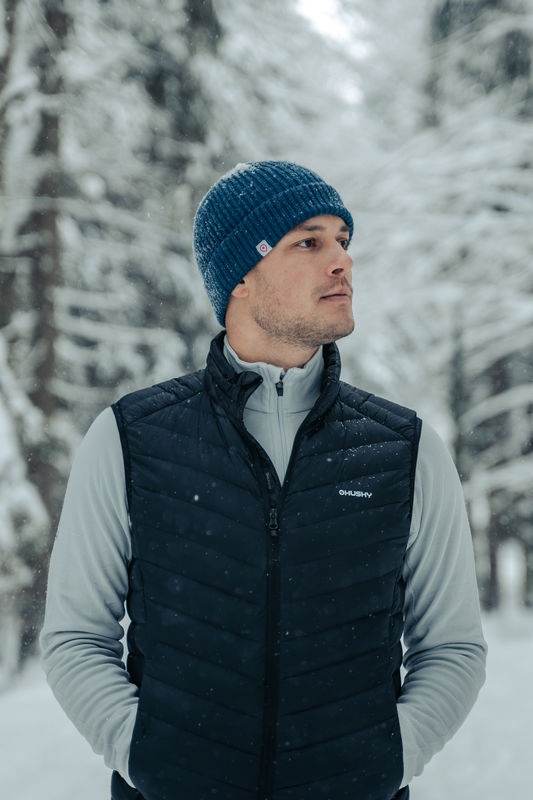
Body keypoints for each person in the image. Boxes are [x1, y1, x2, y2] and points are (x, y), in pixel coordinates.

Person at [41, 161, 487, 800]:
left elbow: (451, 647)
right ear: (240, 278)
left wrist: (390, 759)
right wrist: (146, 756)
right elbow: (77, 637)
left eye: (343, 240)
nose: (342, 261)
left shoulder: (404, 449)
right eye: (308, 242)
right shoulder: (130, 439)